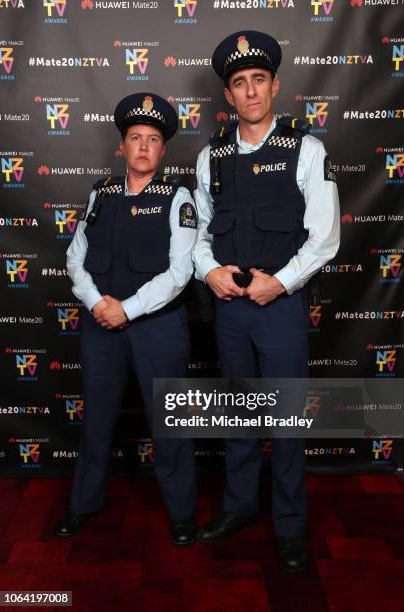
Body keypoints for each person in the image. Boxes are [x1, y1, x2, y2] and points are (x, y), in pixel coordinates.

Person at [193, 31, 340, 572]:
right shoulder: (212, 157)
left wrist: (278, 283)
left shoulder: (307, 149)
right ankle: (238, 507)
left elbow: (324, 236)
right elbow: (198, 236)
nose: (250, 91)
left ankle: (290, 526)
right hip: (230, 307)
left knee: (285, 422)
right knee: (237, 416)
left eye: (259, 79)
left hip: (279, 308)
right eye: (239, 83)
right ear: (228, 97)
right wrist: (209, 272)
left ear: (274, 85)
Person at [54, 92, 198, 546]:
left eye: (152, 139)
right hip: (101, 326)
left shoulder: (179, 197)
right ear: (121, 147)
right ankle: (83, 505)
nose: (142, 146)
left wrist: (126, 309)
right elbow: (75, 259)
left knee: (169, 425)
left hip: (158, 328)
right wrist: (99, 304)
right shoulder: (101, 192)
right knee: (96, 421)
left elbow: (181, 272)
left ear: (163, 151)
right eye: (134, 137)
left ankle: (181, 514)